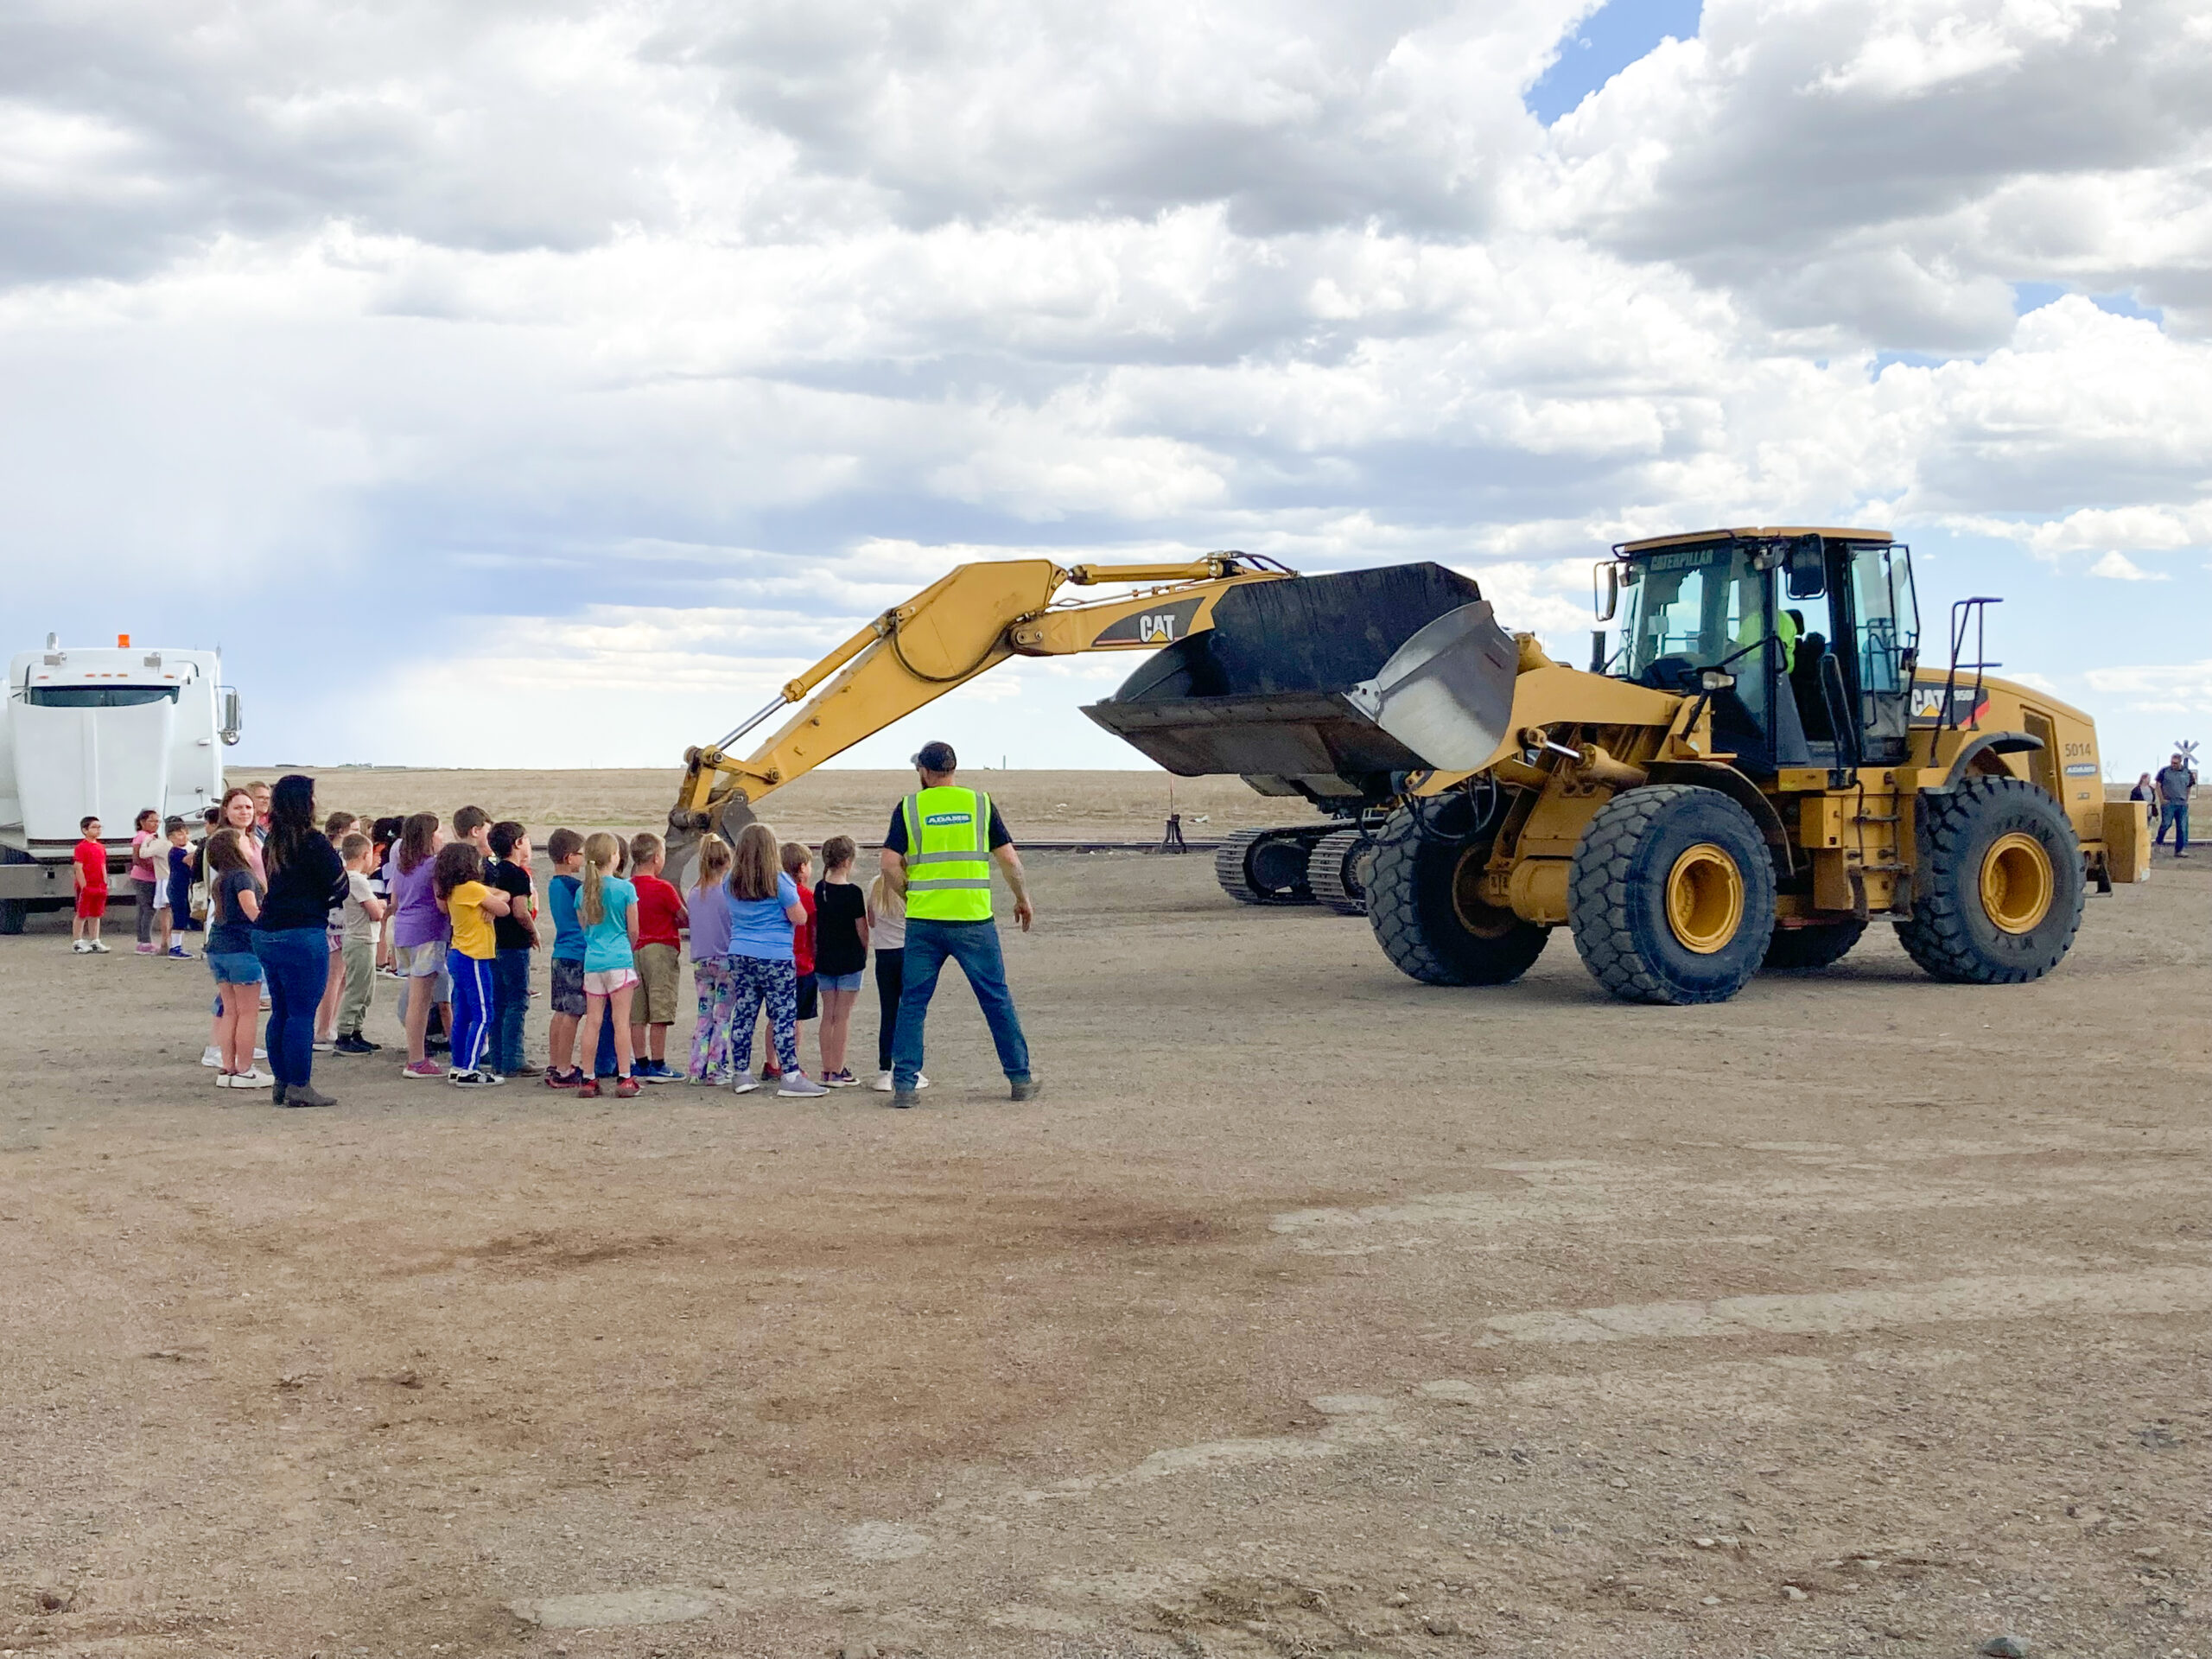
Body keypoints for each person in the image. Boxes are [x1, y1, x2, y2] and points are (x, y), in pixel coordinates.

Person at [878, 741, 1038, 1109]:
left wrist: (910, 894)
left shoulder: (909, 807)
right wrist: (1022, 898)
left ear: (923, 771)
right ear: (953, 769)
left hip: (925, 921)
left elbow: (888, 864)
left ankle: (904, 1085)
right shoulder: (980, 804)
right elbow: (1010, 862)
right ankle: (1020, 1078)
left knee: (913, 1002)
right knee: (996, 999)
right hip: (973, 920)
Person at [252, 773, 346, 1109]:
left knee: (281, 1010)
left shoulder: (272, 841)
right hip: (302, 932)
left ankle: (282, 1081)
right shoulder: (313, 842)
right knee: (302, 1014)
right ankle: (300, 1085)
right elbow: (340, 885)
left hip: (267, 931)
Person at [722, 823, 828, 1097]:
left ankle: (741, 1073)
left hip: (741, 951)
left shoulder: (731, 880)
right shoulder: (779, 880)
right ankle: (790, 1074)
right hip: (775, 954)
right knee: (783, 1015)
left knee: (744, 1013)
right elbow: (799, 917)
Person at [435, 841, 511, 1086]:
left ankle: (458, 1064)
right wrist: (492, 905)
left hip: (459, 954)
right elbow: (504, 908)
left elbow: (501, 896)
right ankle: (470, 1068)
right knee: (484, 1014)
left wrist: (490, 904)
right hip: (474, 956)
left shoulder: (454, 890)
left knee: (463, 1014)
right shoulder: (472, 889)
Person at [575, 831, 642, 1099]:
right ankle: (625, 1076)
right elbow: (634, 929)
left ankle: (588, 1077)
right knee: (621, 1022)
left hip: (593, 961)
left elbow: (584, 927)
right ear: (614, 857)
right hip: (619, 958)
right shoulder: (625, 889)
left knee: (593, 1021)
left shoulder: (582, 891)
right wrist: (628, 948)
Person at [202, 828, 270, 1089]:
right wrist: (271, 926)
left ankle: (227, 1068)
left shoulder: (221, 878)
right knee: (248, 1013)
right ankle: (245, 1069)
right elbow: (251, 909)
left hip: (218, 948)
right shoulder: (243, 876)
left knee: (230, 1010)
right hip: (242, 949)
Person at [388, 811, 454, 1080]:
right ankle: (416, 1059)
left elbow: (394, 900)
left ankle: (417, 1056)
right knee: (421, 1001)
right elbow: (441, 903)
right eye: (439, 832)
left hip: (404, 932)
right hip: (427, 934)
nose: (442, 837)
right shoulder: (433, 866)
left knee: (418, 997)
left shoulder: (402, 865)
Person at [626, 831, 688, 1084]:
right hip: (661, 949)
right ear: (656, 859)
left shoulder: (628, 886)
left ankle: (640, 1062)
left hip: (634, 949)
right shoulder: (663, 888)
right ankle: (658, 1063)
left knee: (637, 1013)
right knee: (660, 1009)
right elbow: (683, 916)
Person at [812, 834, 869, 1087]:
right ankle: (837, 1068)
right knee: (843, 1016)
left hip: (824, 958)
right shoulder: (853, 893)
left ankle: (827, 1069)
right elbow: (862, 930)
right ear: (848, 861)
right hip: (849, 959)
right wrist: (865, 951)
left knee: (828, 1014)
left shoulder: (820, 889)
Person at [485, 822, 539, 1078]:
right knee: (518, 1000)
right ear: (518, 843)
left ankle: (497, 1057)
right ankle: (513, 1058)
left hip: (493, 942)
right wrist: (533, 931)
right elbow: (520, 911)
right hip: (514, 944)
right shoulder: (518, 875)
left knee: (498, 1001)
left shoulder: (491, 872)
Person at [865, 864, 924, 1094]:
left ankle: (884, 1069)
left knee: (888, 1012)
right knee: (910, 1012)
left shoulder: (874, 884)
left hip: (884, 954)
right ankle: (909, 1067)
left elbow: (871, 921)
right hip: (908, 951)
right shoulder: (912, 886)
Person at [683, 833, 737, 1083]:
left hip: (701, 961)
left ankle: (697, 1067)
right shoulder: (728, 894)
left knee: (704, 1015)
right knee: (722, 1017)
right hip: (725, 960)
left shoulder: (694, 893)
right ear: (727, 861)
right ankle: (717, 1067)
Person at [762, 841, 817, 1081]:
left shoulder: (772, 892)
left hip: (775, 959)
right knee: (796, 1019)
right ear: (803, 867)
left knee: (774, 1017)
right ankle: (790, 1062)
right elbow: (813, 930)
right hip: (801, 964)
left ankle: (771, 1062)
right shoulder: (806, 895)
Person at [542, 829, 590, 1090]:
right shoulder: (575, 887)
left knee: (560, 1011)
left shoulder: (554, 884)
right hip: (576, 953)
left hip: (560, 953)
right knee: (573, 1013)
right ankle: (563, 1069)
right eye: (581, 854)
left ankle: (555, 1062)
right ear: (570, 857)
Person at [332, 833, 386, 1055]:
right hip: (360, 939)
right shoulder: (357, 880)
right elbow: (375, 913)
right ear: (365, 855)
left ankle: (356, 1030)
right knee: (358, 990)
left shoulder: (350, 878)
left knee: (366, 990)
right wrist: (381, 905)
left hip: (363, 939)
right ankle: (345, 1033)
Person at [314, 813, 359, 1051]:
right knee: (334, 977)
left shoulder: (329, 854)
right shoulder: (336, 856)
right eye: (355, 829)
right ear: (342, 831)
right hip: (336, 922)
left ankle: (328, 1025)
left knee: (340, 978)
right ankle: (323, 1029)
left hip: (338, 920)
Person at [368, 817, 402, 976]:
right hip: (385, 886)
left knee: (382, 925)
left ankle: (380, 960)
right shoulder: (391, 848)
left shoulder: (377, 848)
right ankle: (388, 961)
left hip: (376, 885)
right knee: (387, 924)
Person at [71, 815, 109, 954]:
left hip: (99, 886)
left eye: (99, 827)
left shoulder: (100, 847)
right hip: (87, 886)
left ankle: (95, 940)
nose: (98, 830)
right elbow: (78, 867)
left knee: (96, 914)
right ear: (85, 830)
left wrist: (105, 882)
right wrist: (84, 886)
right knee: (82, 913)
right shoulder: (81, 847)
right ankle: (78, 941)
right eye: (94, 827)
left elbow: (103, 865)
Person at [128, 807, 162, 952]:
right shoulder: (142, 837)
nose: (156, 824)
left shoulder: (152, 836)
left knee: (143, 910)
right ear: (142, 822)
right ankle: (146, 942)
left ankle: (142, 941)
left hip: (146, 877)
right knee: (149, 909)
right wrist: (153, 869)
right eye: (152, 821)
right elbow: (137, 858)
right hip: (145, 878)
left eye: (157, 821)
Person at [2154, 752, 2198, 856]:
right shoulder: (2164, 771)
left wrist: (2187, 800)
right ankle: (2159, 842)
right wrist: (2162, 799)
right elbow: (2158, 785)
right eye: (2172, 763)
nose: (2173, 765)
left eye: (2175, 763)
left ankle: (2179, 850)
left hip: (2182, 803)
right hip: (2169, 802)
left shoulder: (2187, 772)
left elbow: (2189, 786)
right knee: (2166, 824)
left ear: (2180, 762)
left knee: (2182, 827)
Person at [164, 817, 196, 957]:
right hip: (177, 889)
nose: (184, 836)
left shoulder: (185, 850)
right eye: (179, 834)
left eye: (186, 833)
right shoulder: (175, 852)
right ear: (170, 838)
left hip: (184, 889)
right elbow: (188, 860)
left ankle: (177, 945)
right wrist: (202, 849)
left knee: (183, 916)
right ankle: (175, 947)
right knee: (179, 917)